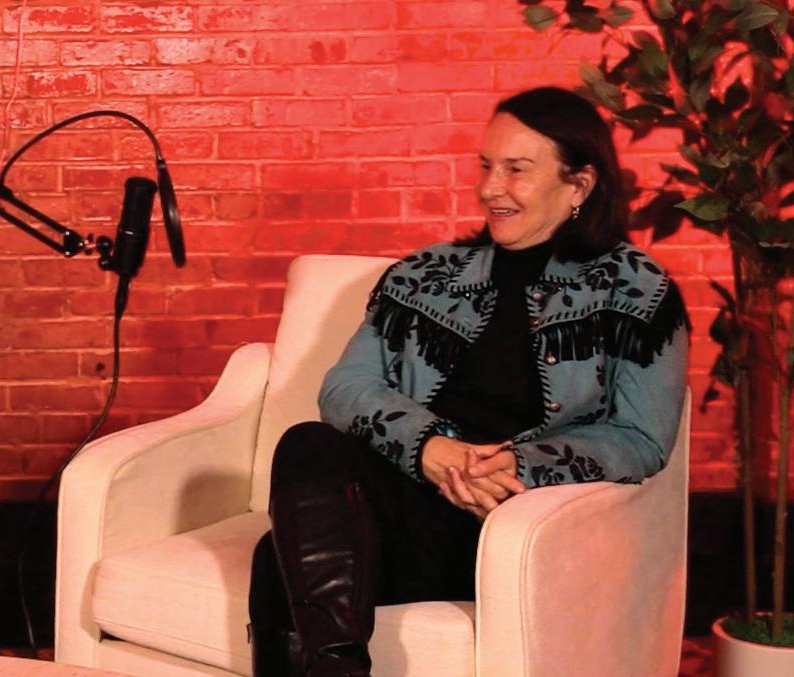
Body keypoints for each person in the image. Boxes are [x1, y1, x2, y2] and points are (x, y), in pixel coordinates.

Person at [247, 86, 690, 677]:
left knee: (277, 559)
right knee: (306, 444)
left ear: (579, 185)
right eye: (486, 166)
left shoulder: (635, 289)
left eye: (516, 169)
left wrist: (518, 464)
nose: (489, 188)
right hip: (411, 500)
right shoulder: (424, 275)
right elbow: (345, 387)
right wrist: (430, 448)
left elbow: (642, 437)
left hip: (510, 525)